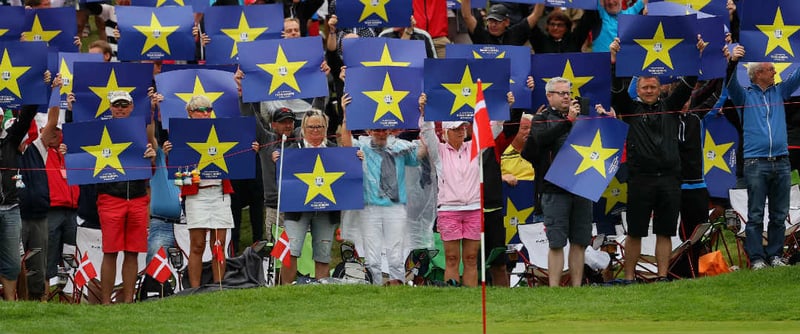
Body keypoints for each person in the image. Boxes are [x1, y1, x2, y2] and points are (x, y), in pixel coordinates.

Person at [609, 36, 702, 283]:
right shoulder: (629, 110)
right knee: (636, 232)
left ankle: (662, 277)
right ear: (638, 90)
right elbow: (616, 90)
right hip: (641, 180)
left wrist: (696, 55)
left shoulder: (671, 106)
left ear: (660, 88)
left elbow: (688, 83)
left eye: (653, 87)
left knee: (665, 231)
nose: (649, 91)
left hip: (670, 179)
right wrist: (615, 60)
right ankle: (629, 278)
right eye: (644, 88)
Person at [725, 44, 800, 269]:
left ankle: (775, 256)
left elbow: (797, 77)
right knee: (755, 214)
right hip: (755, 163)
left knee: (780, 214)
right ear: (758, 73)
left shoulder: (780, 92)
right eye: (770, 69)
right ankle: (757, 258)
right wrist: (732, 62)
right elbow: (728, 83)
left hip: (782, 161)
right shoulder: (744, 96)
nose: (775, 72)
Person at [521, 77, 598, 287]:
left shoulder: (583, 116)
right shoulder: (541, 118)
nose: (567, 97)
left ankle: (576, 287)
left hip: (582, 187)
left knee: (580, 241)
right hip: (554, 190)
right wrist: (568, 122)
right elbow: (541, 140)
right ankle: (554, 288)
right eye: (562, 93)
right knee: (556, 243)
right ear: (549, 96)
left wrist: (604, 120)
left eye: (568, 93)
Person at [340, 94, 420, 286]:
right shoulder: (363, 145)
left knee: (395, 254)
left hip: (395, 207)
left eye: (384, 129)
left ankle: (398, 285)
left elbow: (423, 155)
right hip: (369, 208)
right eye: (376, 129)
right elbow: (345, 144)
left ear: (390, 129)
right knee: (372, 255)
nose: (381, 133)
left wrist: (422, 117)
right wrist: (345, 114)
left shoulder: (401, 146)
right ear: (368, 130)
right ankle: (376, 287)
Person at [163, 96, 235, 287]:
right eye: (199, 110)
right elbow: (178, 175)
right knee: (197, 245)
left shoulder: (223, 131)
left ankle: (219, 287)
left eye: (208, 109)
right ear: (189, 113)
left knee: (218, 245)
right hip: (197, 194)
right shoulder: (179, 134)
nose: (204, 113)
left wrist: (249, 148)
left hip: (220, 192)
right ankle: (194, 290)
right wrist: (170, 154)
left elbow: (238, 156)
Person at [92, 90, 155, 304]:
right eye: (116, 105)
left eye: (124, 105)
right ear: (110, 107)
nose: (120, 108)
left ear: (131, 107)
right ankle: (106, 303)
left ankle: (129, 302)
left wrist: (151, 157)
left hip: (137, 197)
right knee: (110, 251)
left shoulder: (140, 132)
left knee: (132, 252)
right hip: (110, 197)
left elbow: (152, 169)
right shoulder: (99, 130)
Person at [272, 109, 346, 285]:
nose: (315, 130)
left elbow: (347, 178)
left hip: (326, 210)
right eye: (311, 126)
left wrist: (356, 158)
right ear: (303, 128)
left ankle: (321, 292)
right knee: (291, 251)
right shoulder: (289, 151)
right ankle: (288, 290)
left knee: (323, 253)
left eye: (319, 126)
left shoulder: (336, 151)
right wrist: (278, 160)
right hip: (297, 210)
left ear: (326, 127)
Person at [0, 105, 39, 301]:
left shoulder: (12, 139)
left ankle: (9, 303)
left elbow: (27, 117)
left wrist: (37, 87)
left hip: (11, 208)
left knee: (13, 263)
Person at [460, 1, 539, 46]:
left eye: (497, 21)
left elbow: (536, 15)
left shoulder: (515, 34)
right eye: (490, 21)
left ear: (507, 22)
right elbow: (467, 16)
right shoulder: (482, 35)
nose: (493, 25)